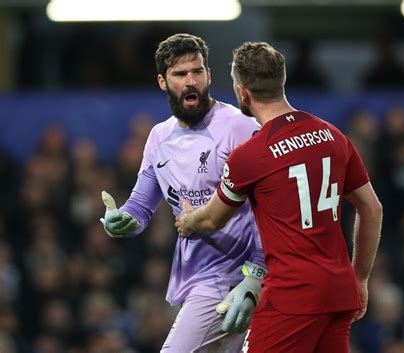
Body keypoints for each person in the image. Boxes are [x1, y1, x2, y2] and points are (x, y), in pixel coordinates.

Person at [176, 41, 383, 353]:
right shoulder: (333, 135)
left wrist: (187, 220)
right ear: (280, 82)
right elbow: (372, 208)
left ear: (242, 91)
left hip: (292, 296)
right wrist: (361, 278)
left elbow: (212, 218)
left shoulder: (252, 155)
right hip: (338, 291)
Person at [99, 34, 267, 353]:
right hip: (198, 278)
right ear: (163, 81)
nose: (191, 81)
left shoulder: (239, 126)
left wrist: (256, 275)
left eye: (197, 72)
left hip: (230, 277)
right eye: (180, 74)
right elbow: (141, 207)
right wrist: (120, 219)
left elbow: (268, 205)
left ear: (209, 75)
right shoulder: (159, 137)